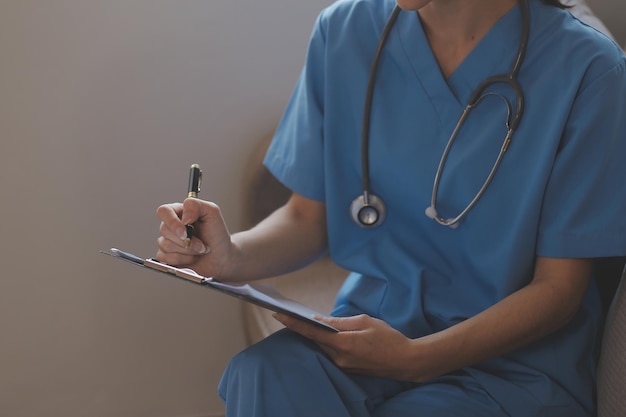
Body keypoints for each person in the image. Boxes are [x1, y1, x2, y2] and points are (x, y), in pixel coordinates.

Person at [155, 0, 626, 415]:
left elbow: (558, 290)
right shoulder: (345, 32)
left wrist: (419, 359)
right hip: (368, 336)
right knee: (265, 374)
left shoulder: (589, 69)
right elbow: (307, 219)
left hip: (510, 369)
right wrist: (229, 256)